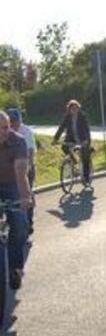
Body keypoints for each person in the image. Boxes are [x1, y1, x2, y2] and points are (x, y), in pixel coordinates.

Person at [0, 111, 32, 290]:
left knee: (20, 225)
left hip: (13, 186)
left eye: (7, 127)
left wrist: (25, 197)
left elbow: (21, 172)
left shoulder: (18, 141)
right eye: (2, 129)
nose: (6, 131)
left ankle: (15, 269)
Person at [7, 108, 36, 234]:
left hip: (26, 166)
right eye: (11, 122)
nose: (13, 125)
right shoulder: (4, 132)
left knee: (26, 193)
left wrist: (25, 169)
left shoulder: (26, 132)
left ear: (20, 121)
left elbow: (29, 153)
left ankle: (28, 222)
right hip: (8, 169)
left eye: (15, 121)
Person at [52, 100, 92, 184]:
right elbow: (61, 128)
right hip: (71, 139)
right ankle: (74, 162)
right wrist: (55, 139)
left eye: (76, 108)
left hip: (83, 139)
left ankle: (87, 177)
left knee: (85, 157)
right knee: (64, 147)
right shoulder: (67, 117)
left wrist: (86, 140)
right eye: (72, 108)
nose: (74, 110)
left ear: (78, 108)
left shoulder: (82, 116)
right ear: (69, 109)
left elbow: (86, 129)